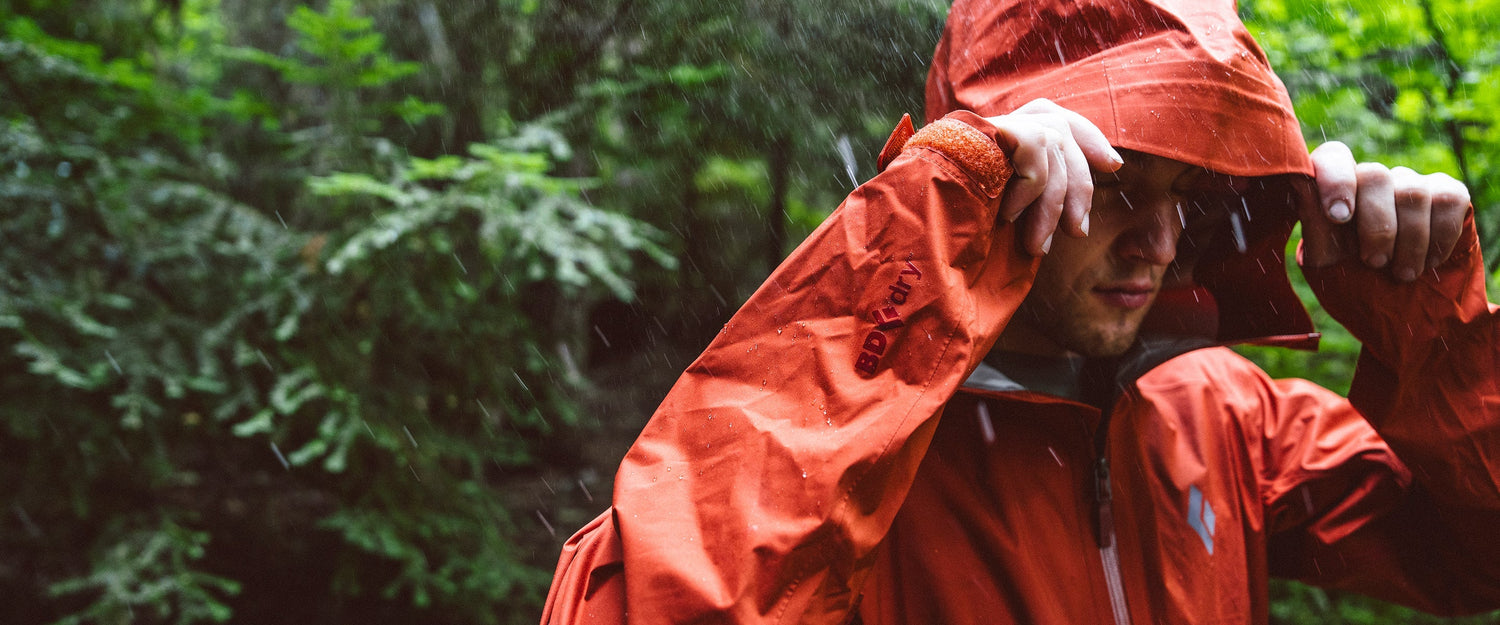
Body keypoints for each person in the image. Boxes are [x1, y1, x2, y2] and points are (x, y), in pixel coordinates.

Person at [541, 0, 1500, 622]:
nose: (1160, 241)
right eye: (1116, 184)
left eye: (1189, 197)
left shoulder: (1230, 415)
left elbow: (1475, 559)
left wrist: (1434, 329)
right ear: (1001, 178)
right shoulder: (857, 464)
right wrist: (921, 232)